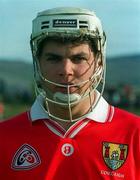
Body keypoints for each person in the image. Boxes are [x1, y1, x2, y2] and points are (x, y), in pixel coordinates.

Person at [0, 7, 139, 180]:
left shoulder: (135, 134)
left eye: (78, 58)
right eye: (53, 58)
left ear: (99, 63)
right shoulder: (3, 137)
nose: (66, 70)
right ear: (38, 63)